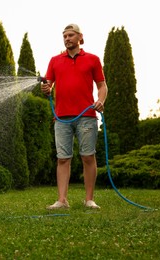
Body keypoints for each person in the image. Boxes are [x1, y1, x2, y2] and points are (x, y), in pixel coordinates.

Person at [41, 24, 108, 210]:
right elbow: (49, 85)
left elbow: (102, 86)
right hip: (61, 117)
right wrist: (46, 88)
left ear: (80, 37)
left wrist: (100, 100)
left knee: (88, 156)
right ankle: (62, 201)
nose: (67, 38)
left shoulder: (93, 60)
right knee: (63, 158)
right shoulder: (55, 60)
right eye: (64, 36)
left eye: (71, 35)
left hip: (86, 115)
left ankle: (89, 200)